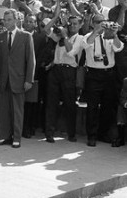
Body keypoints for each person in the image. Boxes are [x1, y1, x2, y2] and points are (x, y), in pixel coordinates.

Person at [68, 15, 123, 147]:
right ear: (92, 23)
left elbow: (119, 48)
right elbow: (87, 43)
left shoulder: (109, 36)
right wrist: (96, 31)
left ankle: (102, 134)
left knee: (107, 106)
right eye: (98, 22)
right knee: (92, 107)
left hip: (108, 74)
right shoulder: (87, 36)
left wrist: (114, 35)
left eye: (102, 22)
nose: (101, 24)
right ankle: (91, 136)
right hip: (93, 74)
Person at [0, 9, 35, 149]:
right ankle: (4, 136)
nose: (6, 22)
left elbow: (31, 60)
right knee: (3, 109)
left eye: (9, 19)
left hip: (19, 79)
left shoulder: (26, 36)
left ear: (16, 20)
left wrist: (29, 79)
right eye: (5, 19)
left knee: (17, 110)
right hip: (4, 79)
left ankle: (16, 138)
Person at [43, 15, 83, 143]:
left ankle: (71, 133)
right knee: (51, 102)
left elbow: (71, 51)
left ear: (80, 25)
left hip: (69, 71)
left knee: (70, 103)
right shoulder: (60, 35)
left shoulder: (80, 38)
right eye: (70, 23)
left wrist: (65, 36)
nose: (72, 26)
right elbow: (46, 30)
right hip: (56, 70)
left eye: (75, 24)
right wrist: (57, 17)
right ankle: (49, 132)